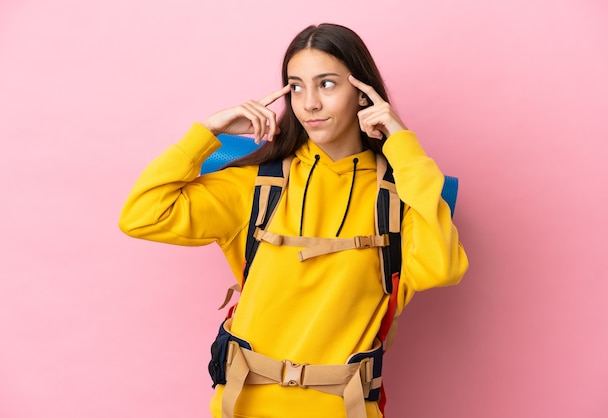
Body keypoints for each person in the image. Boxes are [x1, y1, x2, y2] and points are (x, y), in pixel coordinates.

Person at [119, 23, 468, 418]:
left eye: (328, 84)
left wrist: (403, 147)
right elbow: (142, 215)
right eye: (297, 86)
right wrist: (208, 134)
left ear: (363, 93)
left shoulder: (402, 193)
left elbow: (442, 269)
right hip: (243, 406)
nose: (310, 104)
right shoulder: (257, 184)